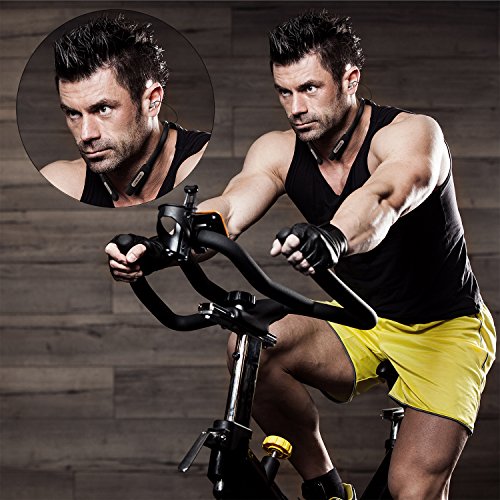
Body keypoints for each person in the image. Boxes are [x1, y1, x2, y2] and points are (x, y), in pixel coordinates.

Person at [105, 10, 496, 500]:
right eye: (284, 92)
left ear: (350, 80)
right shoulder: (279, 150)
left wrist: (333, 236)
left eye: (310, 88)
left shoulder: (411, 134)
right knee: (254, 345)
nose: (295, 107)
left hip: (444, 329)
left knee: (412, 492)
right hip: (361, 319)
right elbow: (230, 207)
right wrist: (162, 247)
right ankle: (325, 487)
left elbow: (386, 196)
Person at [41, 15, 210, 208]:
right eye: (73, 113)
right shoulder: (61, 182)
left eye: (103, 109)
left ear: (152, 101)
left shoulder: (199, 161)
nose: (86, 135)